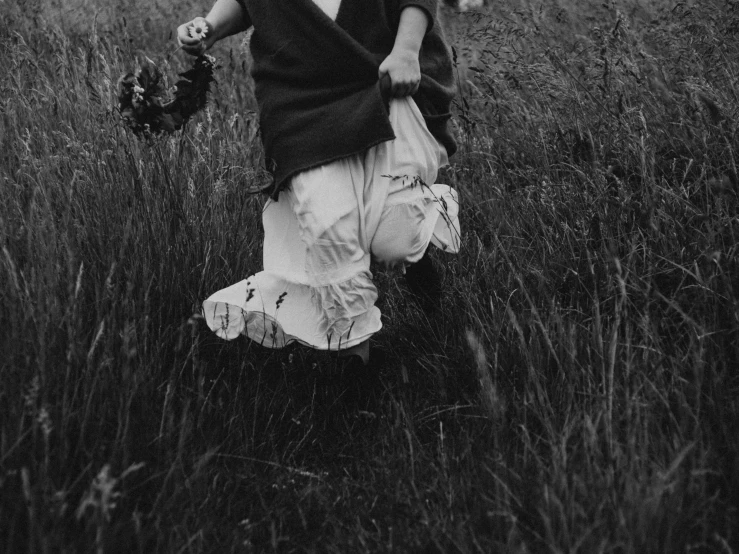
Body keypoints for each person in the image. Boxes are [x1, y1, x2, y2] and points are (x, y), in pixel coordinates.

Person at [178, 0, 461, 365]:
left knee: (394, 237)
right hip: (300, 96)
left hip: (382, 73)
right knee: (329, 228)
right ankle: (356, 361)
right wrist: (210, 26)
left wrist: (407, 50)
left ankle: (415, 251)